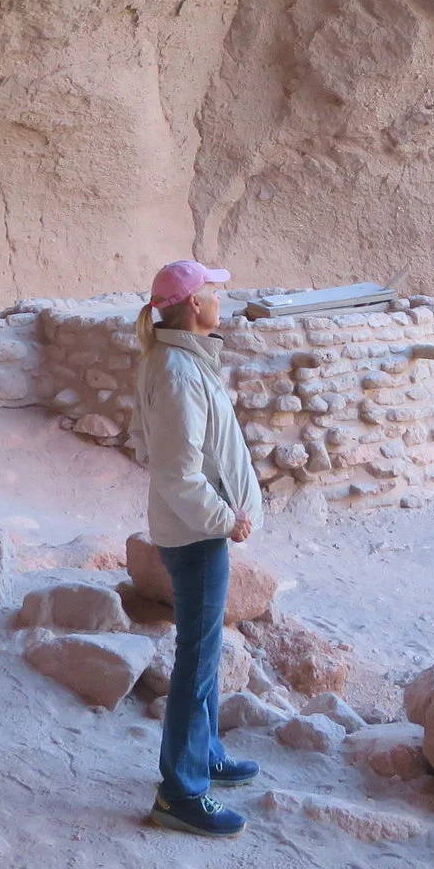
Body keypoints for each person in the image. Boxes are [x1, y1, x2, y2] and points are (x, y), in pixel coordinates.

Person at [132, 258, 265, 836]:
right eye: (213, 291)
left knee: (204, 651)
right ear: (193, 306)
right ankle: (180, 792)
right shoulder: (180, 374)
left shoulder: (182, 360)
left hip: (196, 529)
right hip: (197, 532)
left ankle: (204, 752)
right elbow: (177, 472)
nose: (221, 299)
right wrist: (223, 519)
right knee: (197, 658)